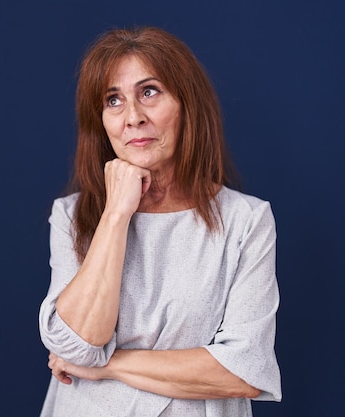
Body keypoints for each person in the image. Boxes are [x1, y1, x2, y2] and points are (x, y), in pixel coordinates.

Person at [38, 26, 281, 417]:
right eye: (113, 100)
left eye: (149, 92)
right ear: (100, 121)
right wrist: (116, 212)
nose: (133, 117)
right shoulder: (71, 215)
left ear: (188, 104)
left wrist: (107, 365)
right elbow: (77, 344)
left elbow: (243, 371)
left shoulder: (246, 220)